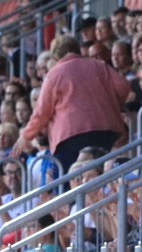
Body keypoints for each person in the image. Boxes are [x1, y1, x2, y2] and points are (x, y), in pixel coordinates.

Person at [13, 34, 131, 172]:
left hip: (70, 137)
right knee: (103, 178)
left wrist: (26, 135)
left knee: (70, 183)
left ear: (56, 55)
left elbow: (42, 112)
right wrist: (109, 102)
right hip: (107, 131)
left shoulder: (55, 73)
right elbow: (124, 87)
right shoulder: (99, 65)